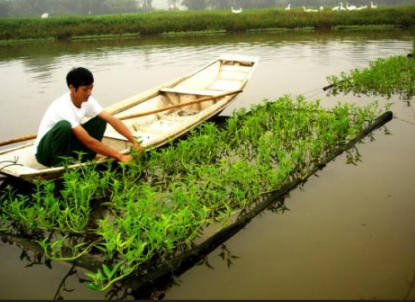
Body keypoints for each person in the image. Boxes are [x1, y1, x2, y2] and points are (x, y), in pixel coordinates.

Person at [34, 67, 142, 167]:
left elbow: (112, 120)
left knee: (100, 120)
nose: (89, 93)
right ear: (72, 88)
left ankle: (85, 159)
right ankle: (59, 164)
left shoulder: (87, 101)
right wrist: (120, 156)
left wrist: (134, 141)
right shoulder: (62, 107)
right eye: (85, 89)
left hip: (67, 145)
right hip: (45, 153)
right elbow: (88, 140)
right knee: (64, 126)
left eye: (91, 88)